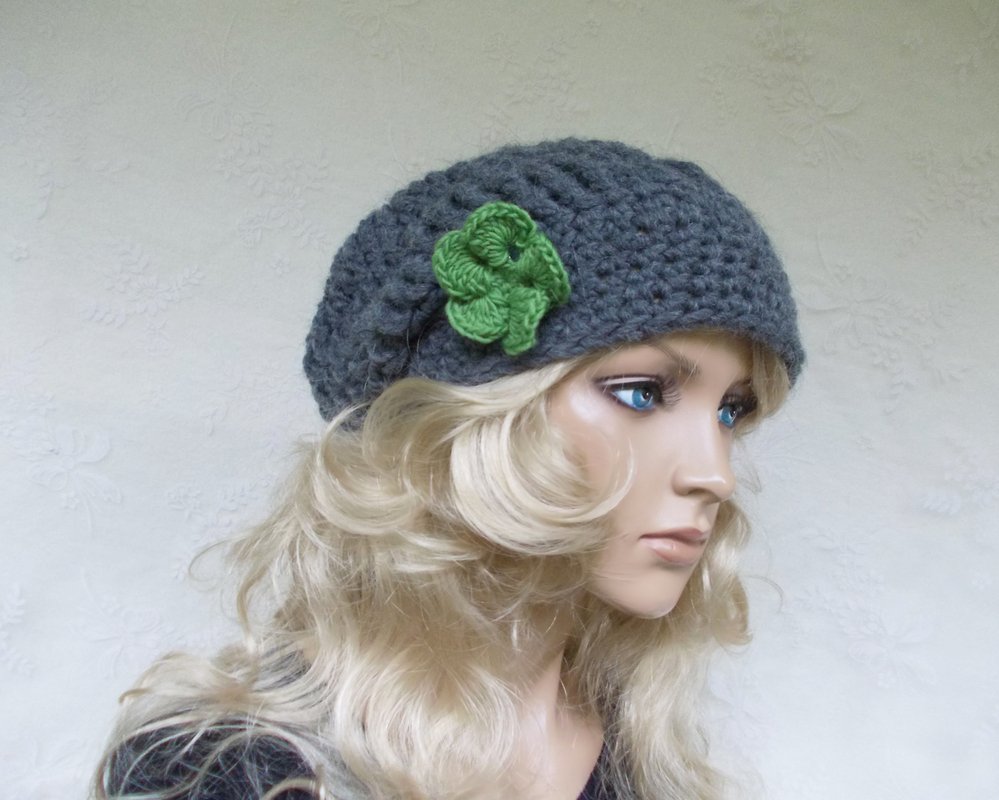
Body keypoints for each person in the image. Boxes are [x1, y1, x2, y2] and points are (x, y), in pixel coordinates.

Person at [94, 138, 804, 800]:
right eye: (641, 393)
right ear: (453, 419)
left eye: (731, 412)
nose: (715, 475)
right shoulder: (224, 771)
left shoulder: (637, 758)